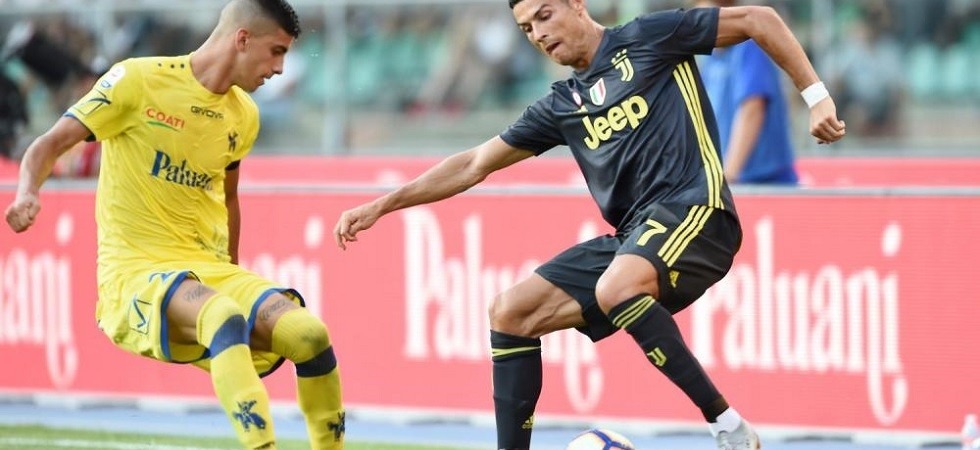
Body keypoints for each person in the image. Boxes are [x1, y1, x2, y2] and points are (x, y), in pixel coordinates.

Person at [334, 0, 844, 449]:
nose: (539, 33)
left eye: (544, 15)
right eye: (527, 28)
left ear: (577, 4)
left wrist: (816, 95)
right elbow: (473, 164)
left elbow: (758, 19)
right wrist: (384, 204)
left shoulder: (649, 37)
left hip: (699, 211)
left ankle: (728, 428)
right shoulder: (562, 105)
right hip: (636, 237)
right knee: (511, 312)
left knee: (615, 286)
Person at [4, 1, 345, 449]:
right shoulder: (136, 80)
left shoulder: (244, 115)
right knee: (221, 314)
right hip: (135, 273)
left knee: (309, 334)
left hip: (206, 268)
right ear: (242, 39)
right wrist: (28, 192)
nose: (280, 69)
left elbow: (229, 197)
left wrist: (233, 272)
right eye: (276, 51)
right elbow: (48, 144)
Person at [696, 0, 799, 185]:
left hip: (763, 180)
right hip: (731, 179)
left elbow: (752, 107)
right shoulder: (711, 58)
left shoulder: (749, 46)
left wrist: (729, 174)